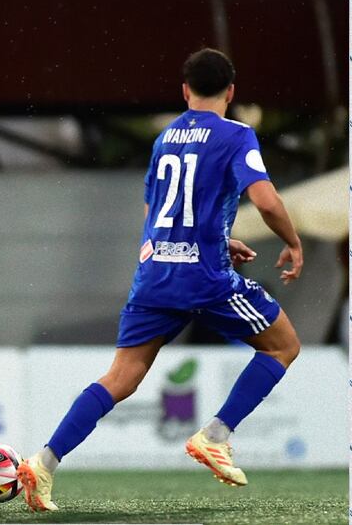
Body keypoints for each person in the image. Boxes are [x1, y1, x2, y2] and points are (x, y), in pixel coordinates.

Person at [17, 48, 303, 511]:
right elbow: (266, 201)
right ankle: (215, 435)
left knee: (120, 377)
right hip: (205, 278)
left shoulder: (166, 137)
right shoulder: (236, 135)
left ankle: (43, 463)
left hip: (155, 273)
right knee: (283, 345)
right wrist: (292, 241)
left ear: (185, 90)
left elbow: (156, 211)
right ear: (230, 92)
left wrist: (218, 236)